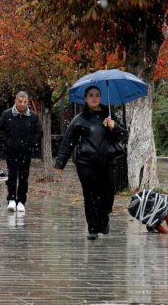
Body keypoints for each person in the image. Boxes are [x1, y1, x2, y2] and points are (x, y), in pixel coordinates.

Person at [55, 85, 128, 240]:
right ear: (86, 99)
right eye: (91, 95)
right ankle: (93, 228)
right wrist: (60, 163)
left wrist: (114, 127)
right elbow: (68, 141)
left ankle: (103, 220)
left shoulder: (109, 116)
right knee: (91, 195)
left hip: (108, 162)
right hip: (86, 164)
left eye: (97, 95)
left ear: (101, 97)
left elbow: (123, 135)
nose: (94, 98)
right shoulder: (79, 119)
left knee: (108, 196)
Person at [0, 91, 42, 213]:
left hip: (26, 152)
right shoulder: (7, 115)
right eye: (20, 101)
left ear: (27, 102)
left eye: (25, 102)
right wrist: (8, 142)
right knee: (12, 175)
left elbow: (38, 132)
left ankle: (21, 201)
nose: (22, 104)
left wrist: (31, 144)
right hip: (12, 151)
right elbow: (0, 130)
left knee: (24, 176)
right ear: (15, 101)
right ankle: (11, 198)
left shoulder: (33, 116)